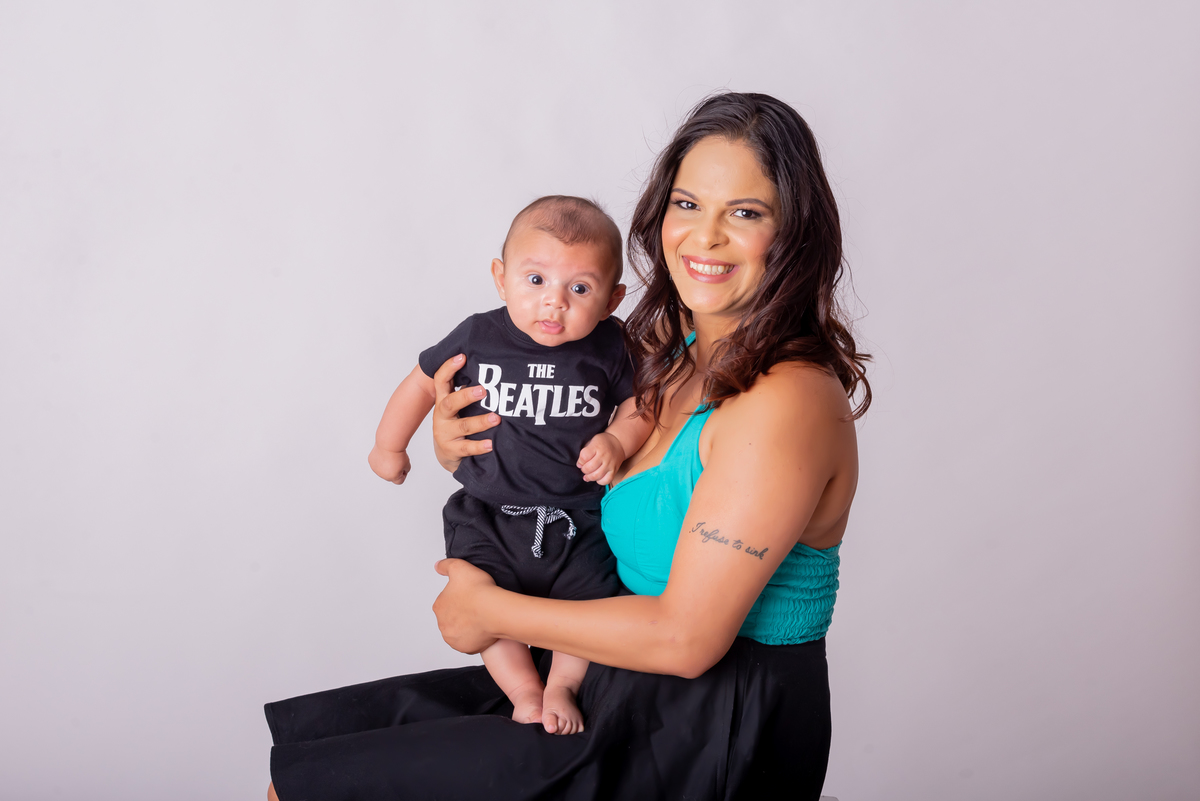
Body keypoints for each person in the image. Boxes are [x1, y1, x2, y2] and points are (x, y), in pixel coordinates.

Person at [264, 91, 870, 801]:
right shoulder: (665, 351)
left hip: (712, 722)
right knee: (317, 758)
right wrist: (452, 440)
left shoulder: (787, 401)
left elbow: (686, 638)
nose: (704, 237)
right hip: (611, 668)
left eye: (744, 212)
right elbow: (540, 439)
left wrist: (491, 613)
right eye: (687, 204)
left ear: (795, 232)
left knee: (320, 789)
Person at [366, 195, 652, 735]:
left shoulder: (613, 346)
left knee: (590, 600)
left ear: (613, 299)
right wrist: (389, 446)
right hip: (488, 510)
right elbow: (423, 381)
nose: (555, 304)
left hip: (576, 516)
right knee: (478, 594)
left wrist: (617, 437)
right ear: (501, 278)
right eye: (535, 280)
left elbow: (641, 406)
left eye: (580, 289)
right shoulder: (479, 335)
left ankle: (561, 685)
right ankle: (523, 690)